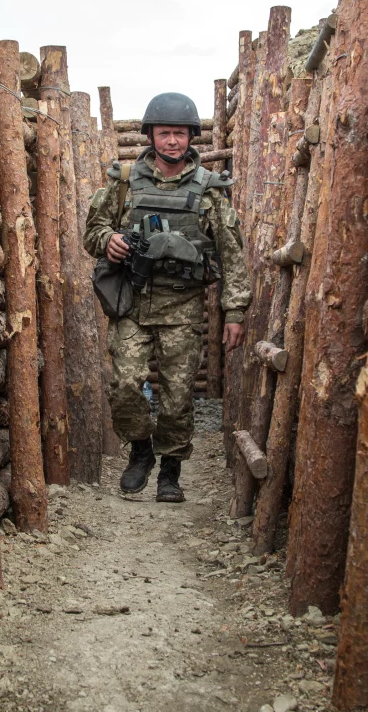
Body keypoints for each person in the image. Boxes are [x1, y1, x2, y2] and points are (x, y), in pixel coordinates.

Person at [83, 92, 250, 502]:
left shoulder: (209, 189)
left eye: (179, 133)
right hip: (132, 304)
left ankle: (170, 471)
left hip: (183, 307)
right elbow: (92, 232)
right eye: (164, 133)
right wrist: (109, 241)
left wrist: (235, 311)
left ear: (191, 136)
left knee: (177, 398)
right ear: (150, 136)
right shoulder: (123, 183)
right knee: (125, 385)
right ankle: (141, 450)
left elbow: (232, 255)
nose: (172, 141)